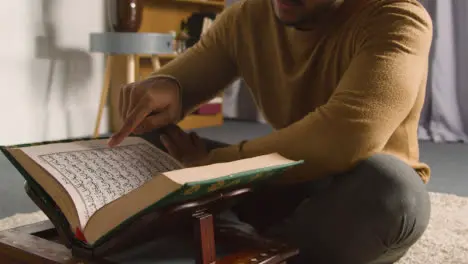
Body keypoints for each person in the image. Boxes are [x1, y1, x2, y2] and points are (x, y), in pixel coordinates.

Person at [108, 0, 433, 262]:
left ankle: (227, 238)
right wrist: (164, 88)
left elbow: (346, 135)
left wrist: (215, 167)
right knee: (148, 143)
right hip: (285, 181)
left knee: (393, 193)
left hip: (353, 195)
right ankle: (254, 245)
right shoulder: (250, 16)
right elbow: (186, 79)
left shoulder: (397, 18)